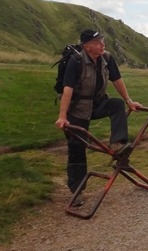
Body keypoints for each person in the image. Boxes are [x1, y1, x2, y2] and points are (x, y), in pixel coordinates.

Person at [55, 29, 142, 204]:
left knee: (116, 104)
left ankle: (118, 144)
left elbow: (117, 80)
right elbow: (68, 89)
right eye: (98, 42)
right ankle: (77, 191)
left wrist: (129, 101)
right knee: (77, 148)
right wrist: (62, 116)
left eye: (102, 41)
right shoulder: (76, 61)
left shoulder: (107, 58)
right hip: (78, 108)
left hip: (98, 103)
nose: (102, 45)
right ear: (87, 46)